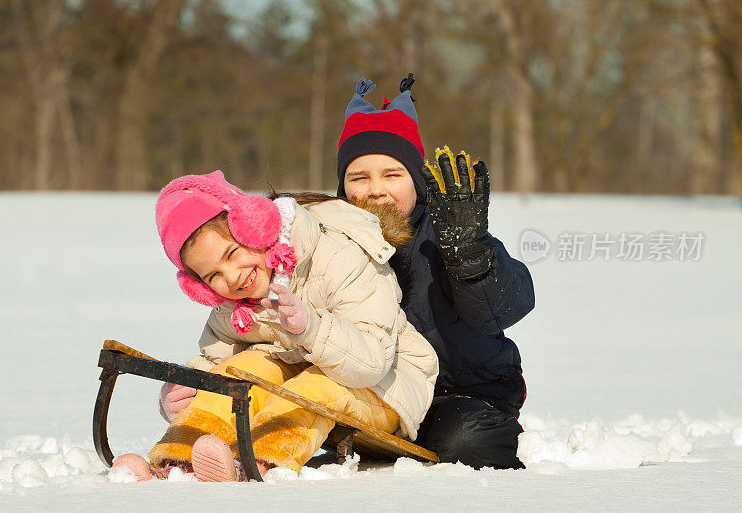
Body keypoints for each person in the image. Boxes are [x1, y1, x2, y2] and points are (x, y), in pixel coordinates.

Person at [113, 171, 438, 481]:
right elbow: (217, 361)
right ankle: (176, 463)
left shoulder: (340, 257)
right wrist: (185, 389)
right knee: (244, 366)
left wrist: (310, 327)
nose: (232, 277)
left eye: (231, 253)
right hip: (305, 370)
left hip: (386, 388)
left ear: (252, 228)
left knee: (315, 385)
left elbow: (372, 363)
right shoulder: (235, 302)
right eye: (213, 276)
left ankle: (260, 461)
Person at [335, 74, 535, 469]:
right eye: (359, 177)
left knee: (464, 442)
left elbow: (505, 307)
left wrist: (471, 257)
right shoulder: (333, 238)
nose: (376, 189)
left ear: (418, 181)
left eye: (392, 175)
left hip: (459, 392)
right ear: (342, 187)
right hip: (372, 391)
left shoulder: (448, 231)